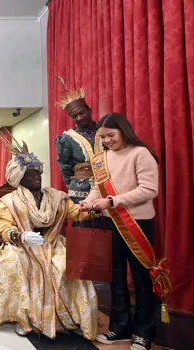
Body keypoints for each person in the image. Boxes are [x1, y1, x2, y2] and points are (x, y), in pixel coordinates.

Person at [0, 133, 98, 340]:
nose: (36, 177)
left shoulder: (57, 197)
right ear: (20, 178)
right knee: (13, 263)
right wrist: (22, 237)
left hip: (53, 244)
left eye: (37, 173)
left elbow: (76, 212)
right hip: (21, 246)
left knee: (63, 264)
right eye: (30, 174)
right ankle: (25, 319)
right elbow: (3, 229)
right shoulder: (8, 202)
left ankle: (66, 317)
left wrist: (93, 207)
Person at [80, 113, 169, 350]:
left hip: (138, 223)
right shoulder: (102, 159)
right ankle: (120, 328)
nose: (107, 140)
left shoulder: (141, 153)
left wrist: (112, 201)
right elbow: (97, 190)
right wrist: (89, 202)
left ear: (123, 130)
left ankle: (144, 332)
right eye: (103, 137)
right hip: (111, 223)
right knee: (116, 278)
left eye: (111, 135)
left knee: (141, 279)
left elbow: (149, 190)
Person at [54, 80, 103, 227]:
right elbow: (64, 166)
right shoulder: (67, 138)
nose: (79, 118)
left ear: (89, 110)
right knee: (84, 227)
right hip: (80, 189)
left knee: (107, 228)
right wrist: (75, 184)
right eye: (75, 116)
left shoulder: (105, 131)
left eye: (82, 113)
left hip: (107, 184)